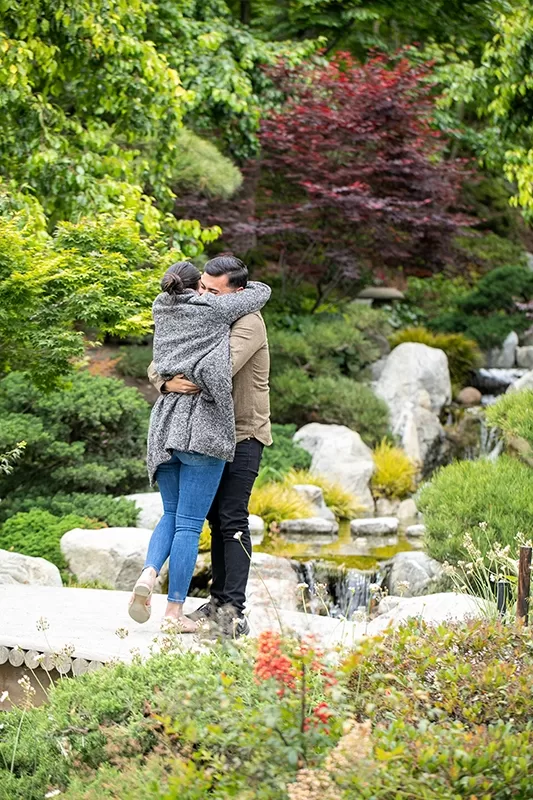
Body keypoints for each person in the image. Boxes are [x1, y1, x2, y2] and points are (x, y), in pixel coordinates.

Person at [129, 259, 271, 631]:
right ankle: (214, 604)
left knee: (231, 520)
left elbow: (218, 367)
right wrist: (164, 382)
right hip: (205, 429)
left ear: (237, 293)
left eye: (213, 291)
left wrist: (175, 371)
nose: (203, 296)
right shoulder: (209, 313)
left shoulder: (248, 323)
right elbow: (160, 361)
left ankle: (232, 611)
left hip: (242, 433)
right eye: (202, 287)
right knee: (206, 518)